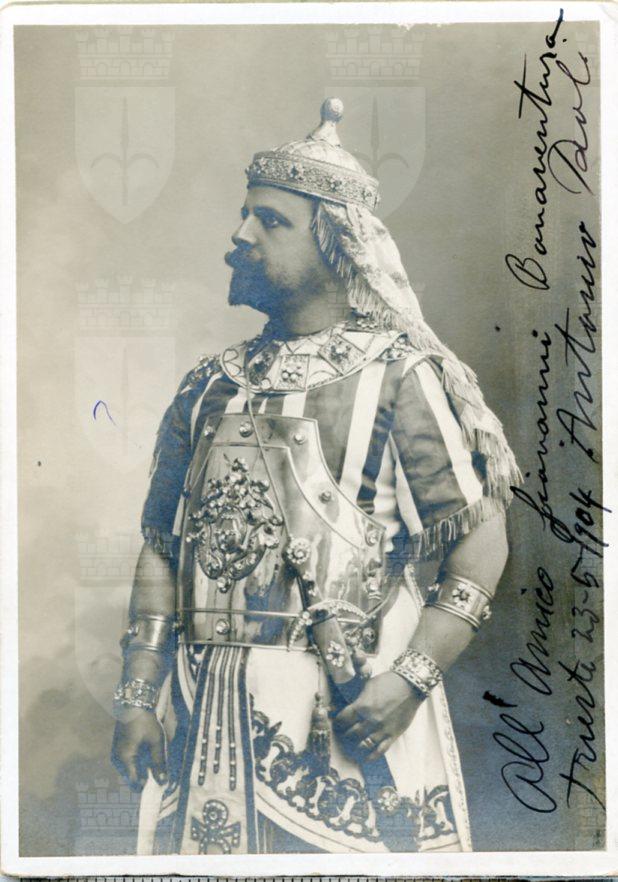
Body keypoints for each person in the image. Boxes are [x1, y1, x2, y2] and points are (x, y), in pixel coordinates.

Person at [111, 98, 521, 855]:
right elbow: (161, 549)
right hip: (202, 705)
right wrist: (138, 694)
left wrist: (407, 683)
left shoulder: (399, 376)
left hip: (347, 705)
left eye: (270, 221)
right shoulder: (208, 384)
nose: (240, 236)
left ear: (336, 243)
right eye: (244, 215)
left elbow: (480, 544)